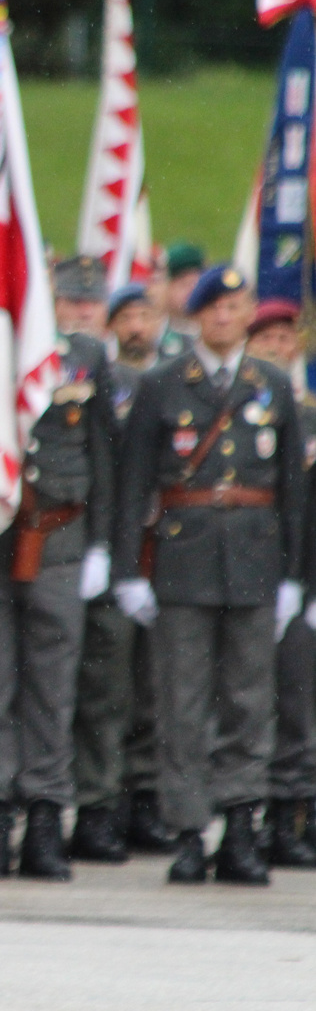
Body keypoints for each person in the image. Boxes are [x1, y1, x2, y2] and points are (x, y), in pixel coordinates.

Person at [113, 265, 305, 885]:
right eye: (214, 307)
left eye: (236, 305)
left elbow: (292, 493)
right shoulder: (164, 384)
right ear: (197, 315)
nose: (225, 316)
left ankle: (243, 826)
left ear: (250, 313)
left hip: (254, 561)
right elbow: (133, 482)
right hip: (181, 561)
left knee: (252, 701)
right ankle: (191, 829)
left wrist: (295, 575)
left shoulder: (273, 385)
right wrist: (125, 571)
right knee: (183, 702)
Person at [0, 256, 116, 881]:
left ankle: (46, 815)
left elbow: (106, 458)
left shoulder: (85, 357)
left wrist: (104, 547)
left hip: (61, 539)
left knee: (53, 682)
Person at [66, 282, 155, 864]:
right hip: (70, 543)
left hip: (130, 551)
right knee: (78, 688)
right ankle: (84, 803)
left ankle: (118, 802)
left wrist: (117, 557)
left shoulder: (154, 383)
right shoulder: (83, 373)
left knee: (124, 691)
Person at [246, 298, 316, 867]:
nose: (276, 346)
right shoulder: (240, 404)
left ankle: (291, 817)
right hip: (241, 574)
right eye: (264, 337)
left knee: (297, 706)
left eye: (284, 338)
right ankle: (243, 815)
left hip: (302, 580)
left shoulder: (310, 412)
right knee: (244, 702)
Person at [154, 243, 204, 360]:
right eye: (183, 284)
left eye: (196, 284)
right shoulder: (154, 334)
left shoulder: (212, 333)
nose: (191, 291)